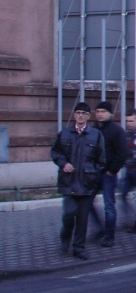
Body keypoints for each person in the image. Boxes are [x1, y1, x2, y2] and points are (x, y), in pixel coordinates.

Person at [51, 102, 105, 260]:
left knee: (82, 218)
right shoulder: (64, 134)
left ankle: (78, 248)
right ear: (74, 115)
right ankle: (65, 237)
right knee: (69, 214)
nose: (80, 116)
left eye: (84, 113)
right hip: (68, 182)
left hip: (87, 184)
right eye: (78, 113)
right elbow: (55, 152)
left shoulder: (95, 135)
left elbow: (101, 160)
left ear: (88, 116)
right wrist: (63, 163)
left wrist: (93, 173)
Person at [92, 101, 128, 247]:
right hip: (93, 173)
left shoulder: (117, 131)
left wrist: (112, 170)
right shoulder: (93, 130)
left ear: (110, 114)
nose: (100, 114)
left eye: (103, 111)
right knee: (86, 203)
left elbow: (122, 153)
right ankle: (100, 227)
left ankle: (109, 235)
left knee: (109, 205)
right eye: (98, 111)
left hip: (108, 174)